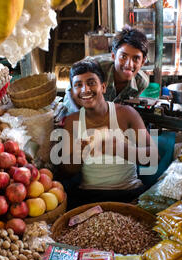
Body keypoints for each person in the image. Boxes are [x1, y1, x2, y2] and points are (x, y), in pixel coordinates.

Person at [59, 59, 158, 209]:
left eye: (91, 82)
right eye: (78, 85)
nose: (85, 89)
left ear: (103, 87)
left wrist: (121, 149)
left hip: (129, 193)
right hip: (89, 196)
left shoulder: (126, 114)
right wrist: (81, 153)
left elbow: (154, 157)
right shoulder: (72, 121)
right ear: (73, 92)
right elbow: (67, 171)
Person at [62, 26, 150, 115]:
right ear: (113, 56)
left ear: (142, 61)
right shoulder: (95, 67)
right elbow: (70, 90)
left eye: (136, 58)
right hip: (73, 112)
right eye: (123, 57)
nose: (129, 65)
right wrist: (83, 118)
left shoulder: (141, 82)